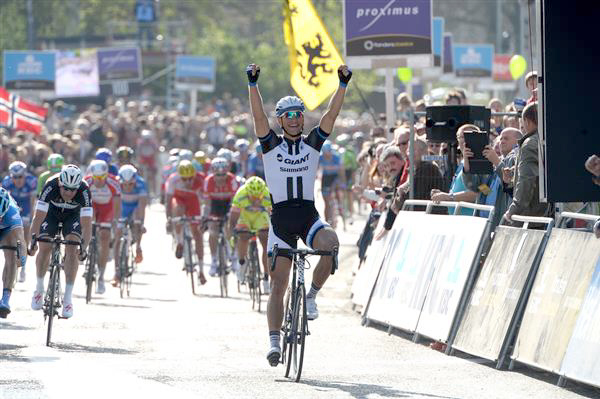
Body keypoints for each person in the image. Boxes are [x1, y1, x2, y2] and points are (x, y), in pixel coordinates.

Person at [246, 62, 351, 366]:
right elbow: (257, 116)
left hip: (307, 215)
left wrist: (342, 85)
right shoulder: (270, 145)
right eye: (288, 116)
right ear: (280, 121)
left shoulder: (313, 144)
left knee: (330, 244)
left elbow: (331, 115)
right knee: (278, 284)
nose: (293, 120)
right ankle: (274, 341)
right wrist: (253, 85)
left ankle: (311, 295)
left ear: (303, 118)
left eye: (298, 115)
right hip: (280, 219)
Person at [29, 165, 92, 319]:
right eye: (65, 189)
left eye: (73, 190)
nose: (69, 193)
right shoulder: (50, 185)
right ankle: (39, 288)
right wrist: (32, 241)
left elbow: (87, 224)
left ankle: (68, 298)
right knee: (45, 245)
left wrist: (84, 248)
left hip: (73, 216)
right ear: (59, 184)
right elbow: (38, 218)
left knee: (72, 246)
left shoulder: (84, 190)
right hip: (50, 214)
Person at [503, 102, 552, 225]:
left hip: (532, 218)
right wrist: (515, 173)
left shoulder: (529, 144)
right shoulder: (550, 139)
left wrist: (514, 209)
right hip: (550, 214)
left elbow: (527, 179)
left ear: (527, 121)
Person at [165, 160, 207, 284]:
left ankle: (201, 270)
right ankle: (179, 242)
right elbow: (168, 201)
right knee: (178, 211)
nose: (188, 182)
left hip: (193, 201)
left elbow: (206, 200)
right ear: (180, 177)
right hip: (179, 200)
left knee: (197, 234)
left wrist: (204, 217)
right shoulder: (173, 180)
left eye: (190, 179)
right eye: (184, 179)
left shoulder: (201, 180)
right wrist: (168, 219)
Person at [229, 176, 271, 293]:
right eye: (253, 197)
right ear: (248, 193)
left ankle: (266, 278)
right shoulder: (241, 195)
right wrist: (233, 233)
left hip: (260, 217)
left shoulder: (267, 195)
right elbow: (233, 219)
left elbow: (275, 216)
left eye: (259, 197)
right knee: (243, 236)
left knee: (266, 241)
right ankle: (242, 263)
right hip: (245, 216)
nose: (256, 200)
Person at [84, 160, 122, 293]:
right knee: (87, 225)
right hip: (92, 206)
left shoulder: (114, 183)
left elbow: (117, 205)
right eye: (96, 177)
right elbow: (80, 203)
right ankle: (85, 249)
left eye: (102, 177)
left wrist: (114, 221)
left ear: (106, 175)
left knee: (105, 237)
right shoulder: (86, 182)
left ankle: (101, 276)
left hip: (107, 208)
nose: (99, 180)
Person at [203, 157, 239, 277]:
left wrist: (231, 215)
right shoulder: (208, 181)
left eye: (223, 175)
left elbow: (235, 201)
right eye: (217, 175)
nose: (220, 178)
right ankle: (214, 260)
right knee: (212, 231)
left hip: (229, 204)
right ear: (213, 173)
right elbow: (207, 204)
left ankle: (233, 256)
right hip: (215, 205)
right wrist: (206, 217)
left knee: (229, 227)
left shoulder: (232, 180)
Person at [2, 161, 36, 282]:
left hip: (26, 205)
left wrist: (32, 217)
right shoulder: (6, 182)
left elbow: (33, 201)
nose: (18, 180)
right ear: (11, 177)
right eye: (15, 177)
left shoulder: (31, 181)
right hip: (12, 205)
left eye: (20, 176)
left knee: (24, 236)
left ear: (25, 175)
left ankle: (23, 268)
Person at [0, 188, 26, 318]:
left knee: (11, 255)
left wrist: (21, 259)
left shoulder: (12, 213)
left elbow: (21, 240)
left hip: (7, 228)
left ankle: (5, 299)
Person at [118, 165, 148, 264]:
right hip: (123, 206)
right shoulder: (116, 183)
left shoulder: (141, 183)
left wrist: (141, 223)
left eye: (131, 184)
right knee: (117, 230)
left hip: (135, 206)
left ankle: (138, 247)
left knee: (137, 220)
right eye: (124, 184)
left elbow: (142, 205)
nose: (127, 187)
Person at [319, 142, 345, 226]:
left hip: (335, 177)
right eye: (326, 152)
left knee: (337, 193)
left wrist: (343, 182)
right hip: (325, 178)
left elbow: (341, 170)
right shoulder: (320, 158)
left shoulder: (336, 157)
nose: (328, 154)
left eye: (329, 152)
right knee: (326, 202)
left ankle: (339, 205)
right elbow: (315, 170)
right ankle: (326, 222)